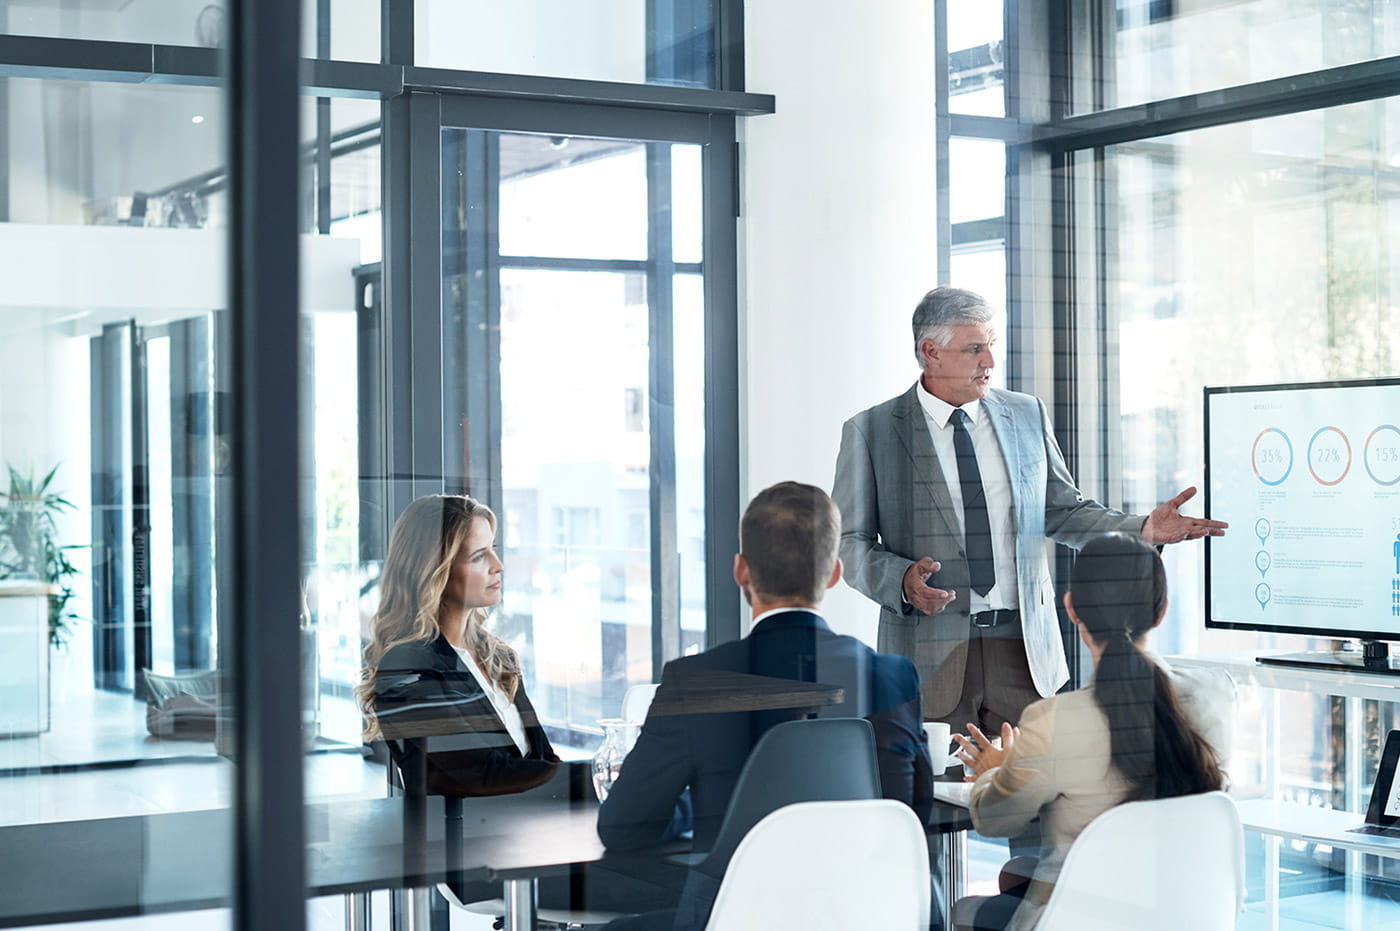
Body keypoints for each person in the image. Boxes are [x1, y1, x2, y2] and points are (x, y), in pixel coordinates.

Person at [832, 286, 1228, 735]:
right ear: (931, 352)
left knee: (1033, 794)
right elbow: (849, 543)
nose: (990, 362)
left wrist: (1143, 530)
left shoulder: (1025, 415)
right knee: (936, 795)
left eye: (991, 345)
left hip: (1023, 650)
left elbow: (1063, 512)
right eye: (975, 348)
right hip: (927, 657)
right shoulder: (872, 432)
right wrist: (901, 580)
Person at [596, 481, 938, 930]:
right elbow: (913, 811)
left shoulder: (696, 681)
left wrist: (688, 808)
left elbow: (622, 828)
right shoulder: (893, 676)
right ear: (835, 573)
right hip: (869, 915)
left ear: (741, 571)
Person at [949, 533, 1232, 931]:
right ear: (1162, 610)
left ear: (1072, 608)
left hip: (1089, 920)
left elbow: (996, 820)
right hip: (1184, 914)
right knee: (1017, 873)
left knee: (963, 909)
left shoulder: (1053, 720)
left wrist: (996, 769)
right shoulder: (1216, 694)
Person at [358, 494, 559, 797]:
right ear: (434, 569)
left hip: (522, 832)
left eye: (493, 550)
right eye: (479, 556)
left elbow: (543, 758)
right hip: (459, 839)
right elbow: (480, 775)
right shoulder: (407, 666)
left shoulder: (498, 657)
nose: (498, 565)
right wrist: (592, 774)